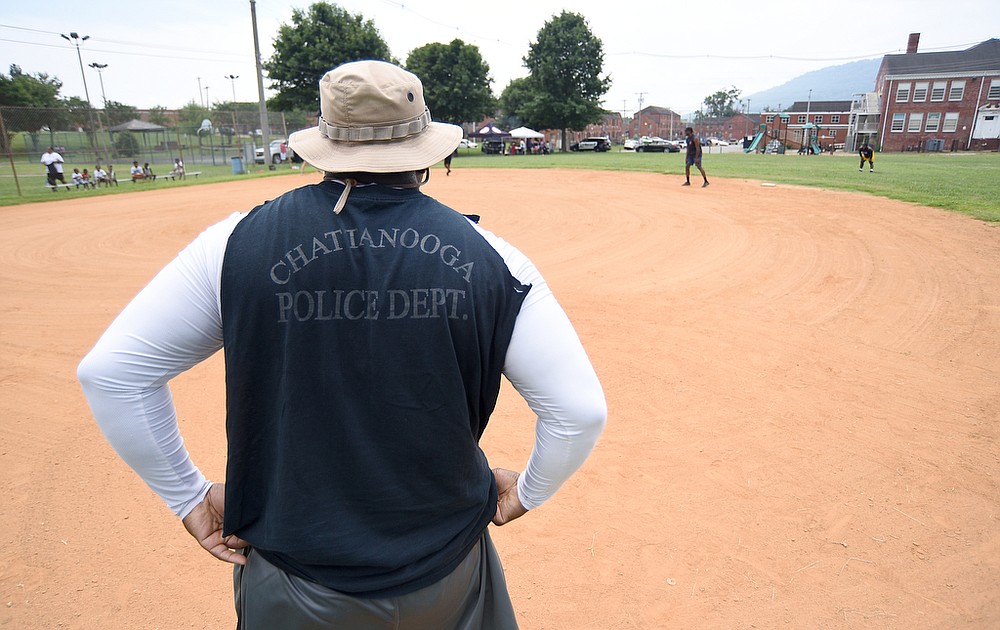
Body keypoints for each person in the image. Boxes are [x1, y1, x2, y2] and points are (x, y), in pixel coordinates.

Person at [78, 59, 606, 629]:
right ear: (429, 149)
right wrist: (523, 493)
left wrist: (187, 497)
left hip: (294, 581)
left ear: (321, 143)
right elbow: (579, 412)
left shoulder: (234, 246)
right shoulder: (494, 258)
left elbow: (111, 374)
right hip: (447, 573)